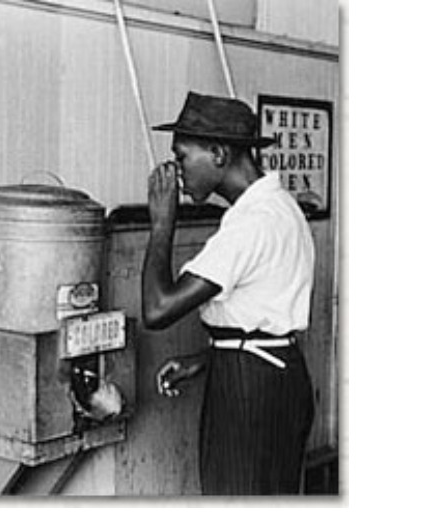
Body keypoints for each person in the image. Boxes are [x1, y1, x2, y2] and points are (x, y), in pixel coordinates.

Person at [142, 92, 316, 495]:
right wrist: (207, 360)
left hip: (250, 391)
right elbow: (262, 320)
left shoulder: (252, 224)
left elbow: (158, 309)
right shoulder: (280, 208)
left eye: (182, 157)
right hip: (273, 372)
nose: (177, 172)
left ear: (218, 154)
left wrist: (162, 223)